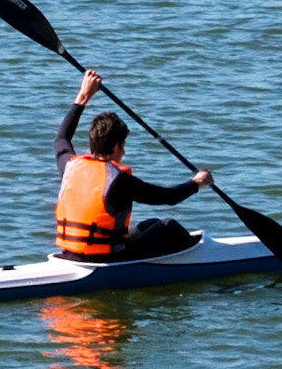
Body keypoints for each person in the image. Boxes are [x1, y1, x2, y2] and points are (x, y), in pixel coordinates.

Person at [53, 70, 210, 261]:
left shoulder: (69, 167)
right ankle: (201, 260)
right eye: (123, 146)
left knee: (150, 224)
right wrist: (196, 183)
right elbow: (168, 197)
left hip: (70, 254)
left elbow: (62, 137)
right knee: (168, 226)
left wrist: (83, 96)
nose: (124, 152)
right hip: (106, 260)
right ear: (116, 146)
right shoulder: (119, 180)